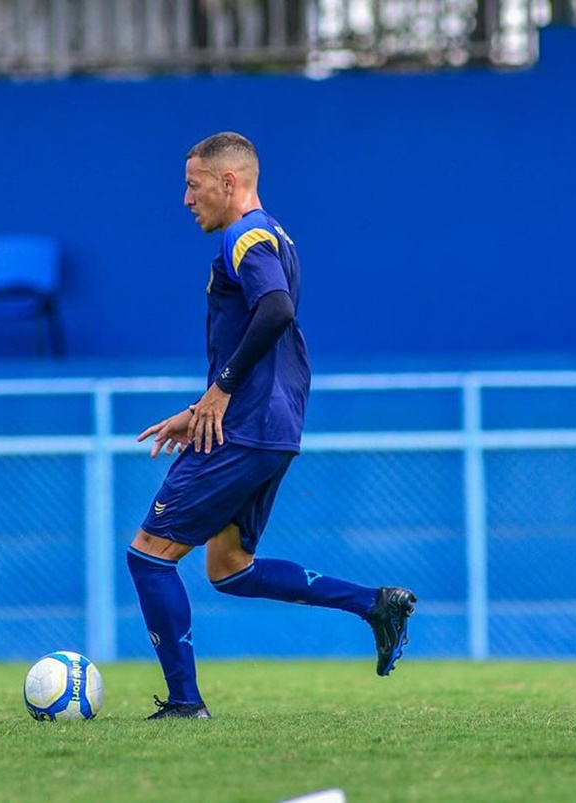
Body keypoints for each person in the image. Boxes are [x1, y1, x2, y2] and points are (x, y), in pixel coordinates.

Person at [126, 132, 417, 719]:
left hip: (245, 427)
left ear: (228, 182)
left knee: (149, 556)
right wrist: (202, 406)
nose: (186, 198)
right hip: (272, 427)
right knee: (228, 567)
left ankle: (185, 704)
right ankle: (374, 604)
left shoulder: (245, 235)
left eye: (193, 184)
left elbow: (277, 309)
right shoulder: (274, 235)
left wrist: (220, 392)